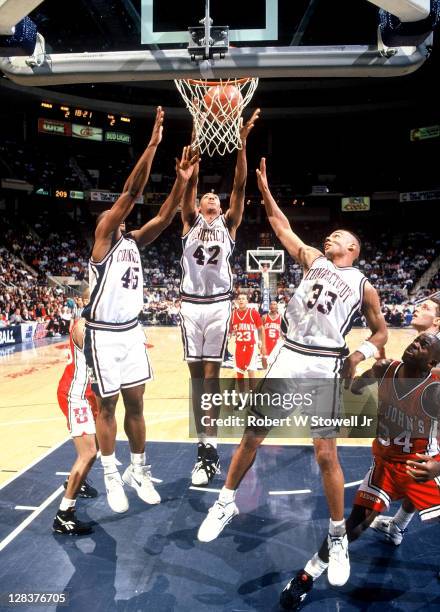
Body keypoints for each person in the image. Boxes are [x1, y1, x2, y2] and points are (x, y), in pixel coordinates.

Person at [197, 157, 388, 591]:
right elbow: (282, 226)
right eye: (330, 235)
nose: (330, 236)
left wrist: (358, 355)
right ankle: (225, 502)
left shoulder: (363, 284)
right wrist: (264, 190)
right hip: (287, 355)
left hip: (323, 363)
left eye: (339, 235)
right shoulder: (313, 259)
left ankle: (337, 537)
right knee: (253, 434)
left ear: (353, 249)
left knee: (325, 455)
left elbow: (380, 333)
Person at [83, 107, 198, 513]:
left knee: (136, 403)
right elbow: (132, 194)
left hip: (131, 332)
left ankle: (138, 468)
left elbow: (166, 216)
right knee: (108, 404)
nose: (116, 215)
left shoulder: (132, 241)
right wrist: (152, 145)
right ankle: (111, 473)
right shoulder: (102, 244)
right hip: (102, 332)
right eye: (110, 214)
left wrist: (183, 184)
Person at [280, 333, 440, 611]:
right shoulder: (384, 369)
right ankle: (308, 575)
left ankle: (398, 526)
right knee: (355, 524)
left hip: (422, 462)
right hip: (387, 463)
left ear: (433, 362)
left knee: (421, 490)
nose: (416, 344)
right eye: (416, 340)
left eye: (424, 345)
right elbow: (352, 389)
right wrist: (345, 375)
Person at [179, 110, 260, 487]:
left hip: (218, 305)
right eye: (207, 194)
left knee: (211, 379)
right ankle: (205, 446)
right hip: (189, 305)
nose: (211, 196)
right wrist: (195, 132)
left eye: (216, 194)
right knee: (198, 381)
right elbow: (189, 184)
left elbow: (241, 187)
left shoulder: (228, 224)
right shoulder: (189, 220)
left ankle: (208, 450)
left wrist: (242, 142)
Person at [370, 295, 440, 543]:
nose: (417, 308)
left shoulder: (432, 351)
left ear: (438, 320)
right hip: (424, 427)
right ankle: (398, 525)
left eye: (425, 307)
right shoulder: (424, 346)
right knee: (419, 471)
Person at [53, 316, 97, 535]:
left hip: (88, 394)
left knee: (94, 446)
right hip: (75, 396)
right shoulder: (83, 326)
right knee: (88, 453)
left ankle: (75, 481)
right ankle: (64, 515)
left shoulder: (95, 322)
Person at [230, 292, 267, 390]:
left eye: (243, 299)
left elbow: (260, 328)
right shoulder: (233, 314)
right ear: (237, 301)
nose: (241, 300)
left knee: (251, 370)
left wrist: (261, 341)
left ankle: (252, 395)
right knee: (239, 371)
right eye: (239, 299)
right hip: (238, 346)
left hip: (251, 346)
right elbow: (230, 330)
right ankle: (242, 395)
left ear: (247, 301)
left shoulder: (252, 312)